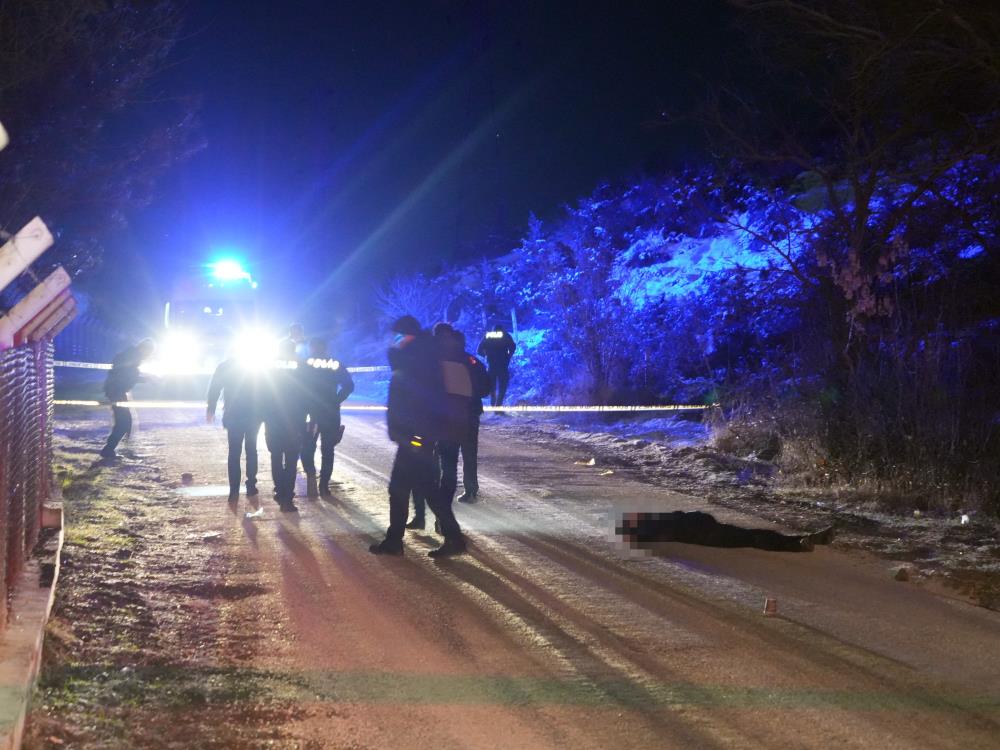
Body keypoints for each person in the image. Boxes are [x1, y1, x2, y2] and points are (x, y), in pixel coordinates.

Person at [370, 315, 467, 557]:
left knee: (404, 489)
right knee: (424, 489)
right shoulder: (421, 357)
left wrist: (415, 435)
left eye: (398, 336)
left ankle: (396, 541)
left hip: (415, 437)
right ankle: (451, 538)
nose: (395, 341)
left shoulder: (418, 360)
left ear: (407, 335)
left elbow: (418, 399)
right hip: (416, 436)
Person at [616, 511, 835, 552]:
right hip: (708, 535)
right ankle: (798, 544)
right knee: (753, 538)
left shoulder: (657, 526)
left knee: (752, 536)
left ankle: (802, 541)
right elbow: (686, 519)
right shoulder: (658, 528)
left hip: (708, 532)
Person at [301, 337, 354, 496]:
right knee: (328, 450)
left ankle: (311, 474)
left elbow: (295, 387)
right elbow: (349, 385)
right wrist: (337, 399)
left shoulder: (304, 365)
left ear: (312, 348)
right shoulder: (334, 364)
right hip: (330, 412)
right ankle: (324, 485)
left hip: (311, 412)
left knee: (307, 447)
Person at [206, 355, 262, 501]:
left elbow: (215, 388)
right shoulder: (253, 365)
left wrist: (211, 408)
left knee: (234, 452)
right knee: (251, 450)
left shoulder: (224, 366)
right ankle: (251, 486)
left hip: (233, 414)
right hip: (253, 414)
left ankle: (234, 490)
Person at [262, 338, 308, 512]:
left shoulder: (270, 366)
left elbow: (261, 390)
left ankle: (280, 491)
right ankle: (287, 497)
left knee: (275, 456)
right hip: (294, 420)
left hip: (273, 419)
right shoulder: (301, 366)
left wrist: (262, 414)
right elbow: (307, 392)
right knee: (290, 460)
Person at [100, 338, 156, 459]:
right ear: (144, 349)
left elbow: (127, 375)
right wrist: (146, 379)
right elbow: (127, 376)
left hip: (116, 391)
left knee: (125, 421)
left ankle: (117, 448)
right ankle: (110, 450)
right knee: (124, 422)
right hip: (116, 392)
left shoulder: (131, 355)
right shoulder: (132, 357)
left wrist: (144, 378)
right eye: (149, 352)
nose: (148, 355)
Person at [477, 324, 516, 407]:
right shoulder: (505, 335)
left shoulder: (488, 336)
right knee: (503, 385)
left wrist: (486, 356)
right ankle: (499, 403)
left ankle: (493, 399)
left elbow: (479, 350)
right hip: (503, 364)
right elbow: (513, 347)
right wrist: (508, 356)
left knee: (491, 385)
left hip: (491, 365)